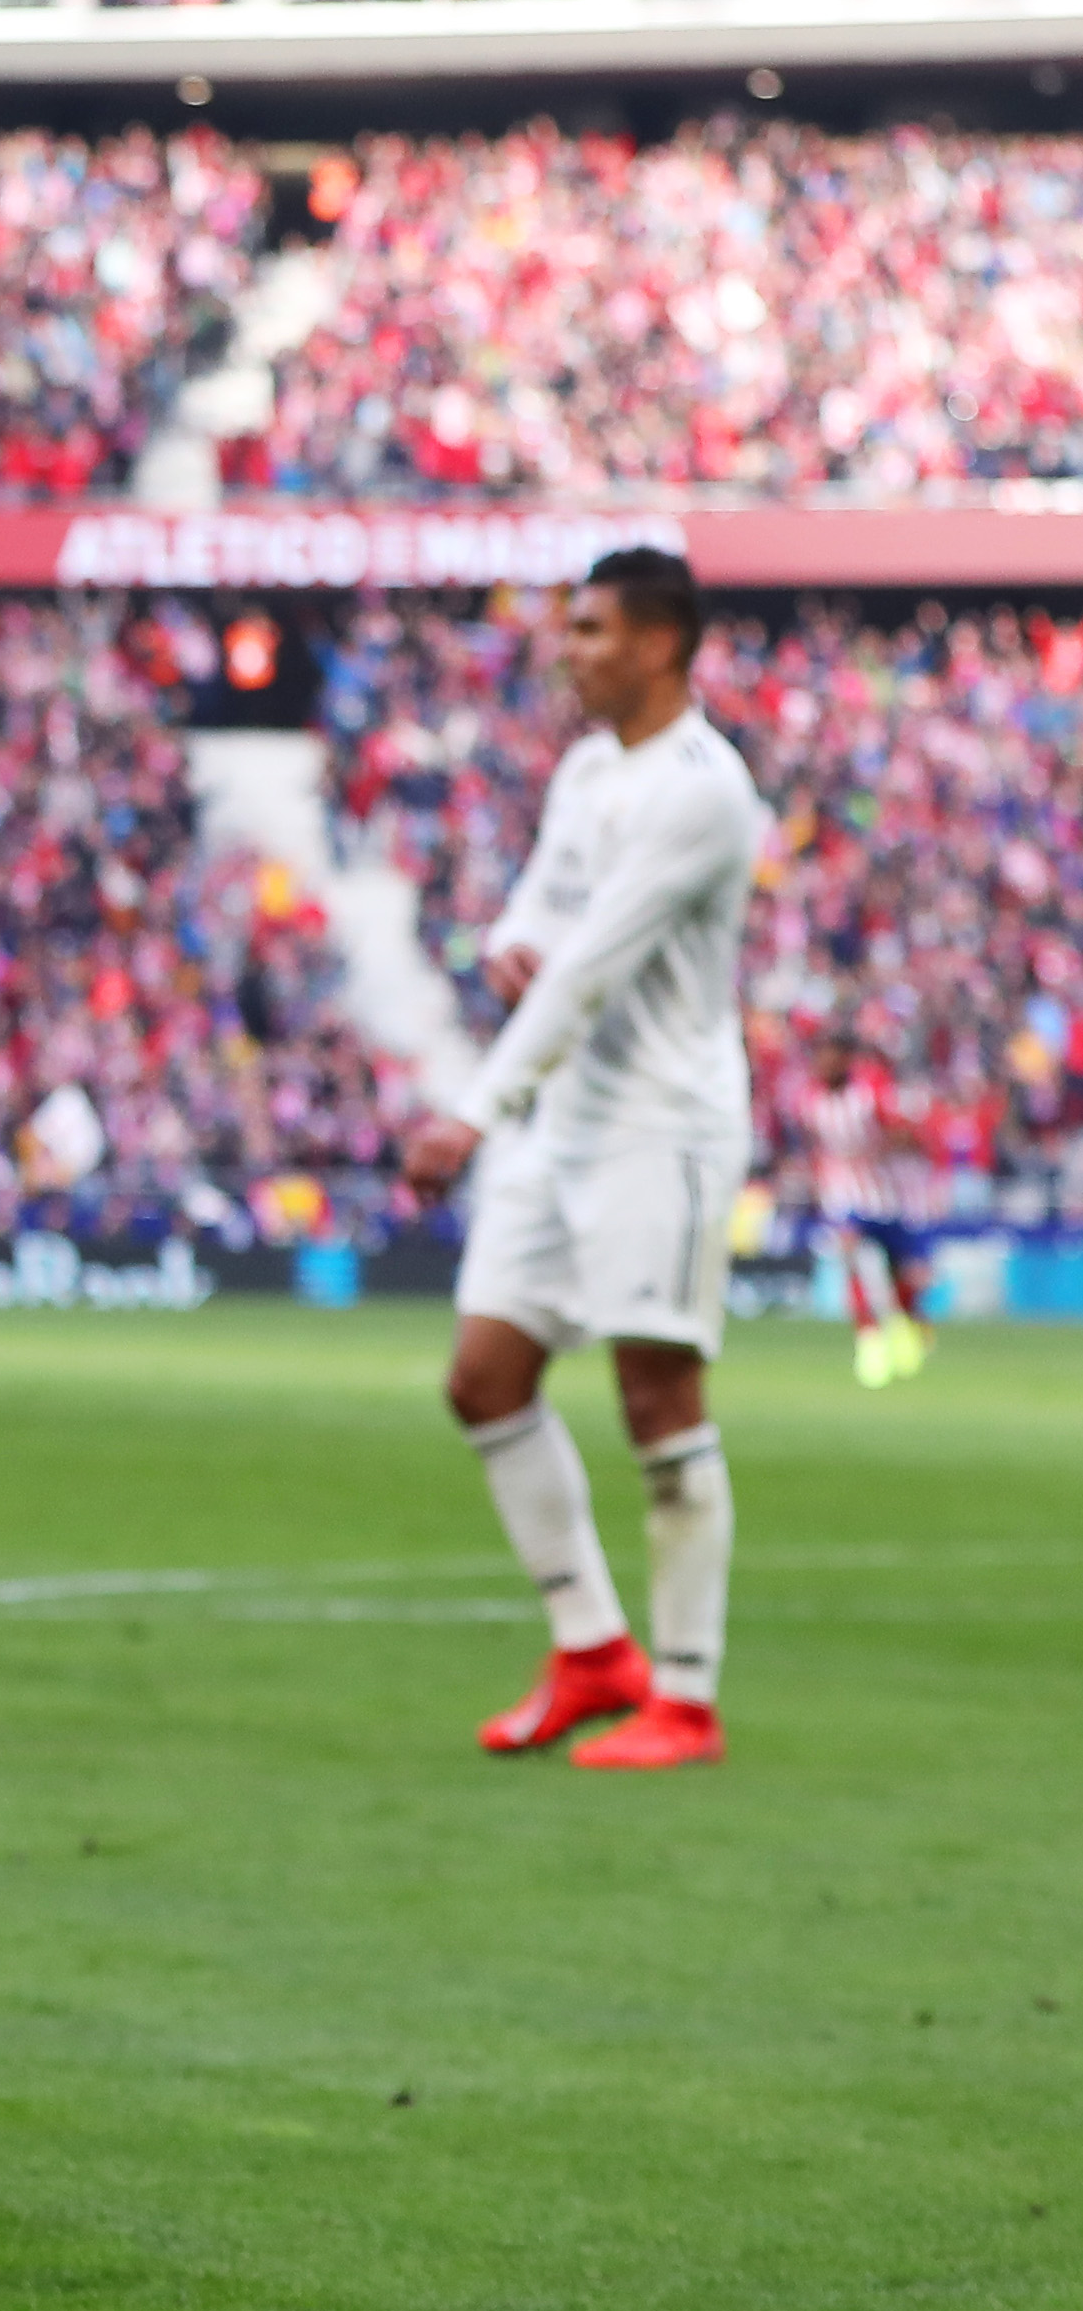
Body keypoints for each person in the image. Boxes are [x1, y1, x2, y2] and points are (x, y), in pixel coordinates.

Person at [399, 549, 767, 1773]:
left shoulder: (705, 791)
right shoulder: (587, 769)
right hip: (566, 1125)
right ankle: (591, 1650)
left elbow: (595, 963)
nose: (570, 650)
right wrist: (510, 942)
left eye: (593, 630)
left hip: (661, 1128)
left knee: (657, 1400)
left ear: (660, 645)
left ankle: (690, 1697)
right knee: (484, 1378)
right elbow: (543, 916)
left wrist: (471, 1113)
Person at [791, 1026, 928, 1388]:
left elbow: (904, 1134)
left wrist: (877, 1150)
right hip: (843, 1196)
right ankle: (869, 1340)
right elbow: (812, 1145)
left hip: (886, 1196)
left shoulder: (871, 1090)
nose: (822, 1064)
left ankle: (904, 1325)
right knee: (858, 1260)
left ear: (846, 1061)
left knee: (906, 1272)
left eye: (830, 1057)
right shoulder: (809, 1100)